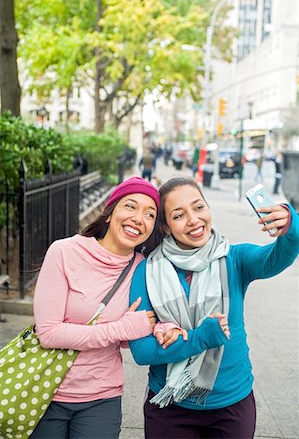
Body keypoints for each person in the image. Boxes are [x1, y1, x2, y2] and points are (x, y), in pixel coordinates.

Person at [129, 177, 299, 439]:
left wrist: (291, 226)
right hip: (169, 405)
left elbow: (276, 258)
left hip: (233, 404)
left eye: (199, 208)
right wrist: (201, 338)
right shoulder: (147, 271)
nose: (194, 220)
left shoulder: (234, 258)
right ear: (165, 226)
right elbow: (142, 351)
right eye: (179, 215)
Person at [30, 176, 162, 439]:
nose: (139, 218)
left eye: (150, 214)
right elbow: (48, 333)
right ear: (110, 213)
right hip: (47, 391)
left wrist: (161, 328)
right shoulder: (65, 252)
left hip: (102, 397)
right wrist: (121, 328)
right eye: (130, 206)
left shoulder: (145, 269)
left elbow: (137, 330)